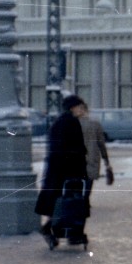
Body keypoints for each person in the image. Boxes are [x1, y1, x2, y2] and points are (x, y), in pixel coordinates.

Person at [35, 95, 89, 248]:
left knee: (63, 203)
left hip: (60, 171)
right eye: (80, 106)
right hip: (66, 171)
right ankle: (55, 231)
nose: (82, 109)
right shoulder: (69, 122)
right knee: (66, 203)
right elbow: (68, 148)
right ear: (73, 107)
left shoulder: (63, 121)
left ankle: (66, 232)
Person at [79, 105, 113, 201]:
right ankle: (86, 200)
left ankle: (79, 200)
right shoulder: (95, 124)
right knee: (89, 181)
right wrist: (106, 159)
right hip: (92, 157)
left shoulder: (72, 124)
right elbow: (101, 144)